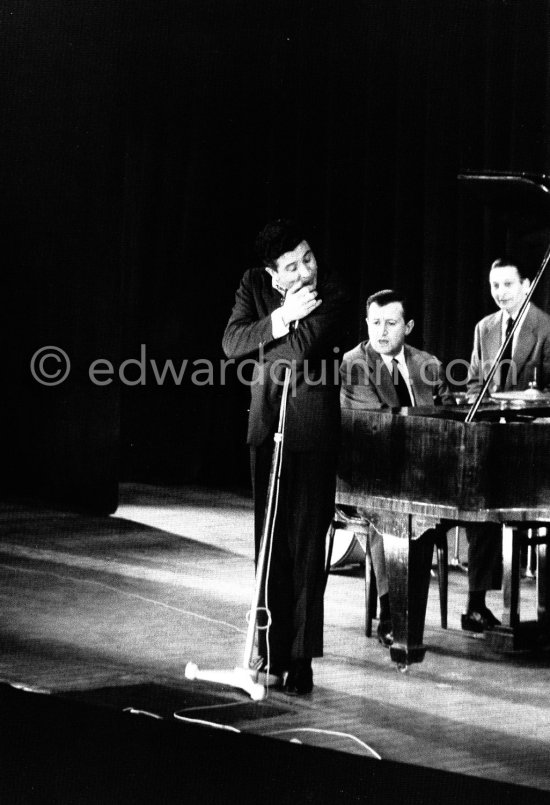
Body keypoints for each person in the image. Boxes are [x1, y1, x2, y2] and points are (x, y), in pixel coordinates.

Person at [222, 219, 350, 694]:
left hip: (312, 430)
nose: (305, 272)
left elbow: (296, 352)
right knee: (268, 544)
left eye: (308, 258)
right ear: (272, 275)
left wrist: (271, 337)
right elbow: (230, 343)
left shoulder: (331, 287)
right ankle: (269, 651)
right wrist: (278, 317)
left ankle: (301, 659)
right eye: (292, 267)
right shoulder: (254, 285)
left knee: (306, 547)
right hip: (265, 425)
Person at [340, 289, 451, 646]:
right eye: (375, 323)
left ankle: (423, 608)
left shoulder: (427, 364)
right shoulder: (354, 362)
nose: (381, 332)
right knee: (387, 510)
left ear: (409, 326)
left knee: (431, 513)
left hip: (421, 474)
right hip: (368, 473)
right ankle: (391, 609)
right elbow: (372, 425)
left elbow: (448, 411)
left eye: (391, 323)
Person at [462, 256, 550, 632]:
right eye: (494, 285)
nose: (499, 293)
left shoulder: (545, 326)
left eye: (508, 285)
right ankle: (476, 604)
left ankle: (544, 611)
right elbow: (472, 383)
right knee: (480, 511)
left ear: (528, 284)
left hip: (535, 444)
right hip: (493, 440)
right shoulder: (485, 329)